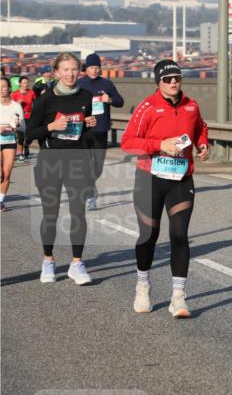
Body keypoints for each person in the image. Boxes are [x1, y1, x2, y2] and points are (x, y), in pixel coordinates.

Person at [121, 60, 209, 318]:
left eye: (177, 78)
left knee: (180, 235)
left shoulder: (191, 106)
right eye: (168, 79)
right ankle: (142, 286)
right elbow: (128, 142)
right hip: (149, 178)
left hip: (181, 179)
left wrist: (204, 144)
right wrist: (160, 145)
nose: (173, 83)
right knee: (149, 235)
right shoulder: (147, 107)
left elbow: (200, 129)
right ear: (158, 82)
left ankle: (178, 297)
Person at [25, 53, 97, 285]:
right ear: (56, 72)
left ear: (80, 71)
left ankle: (77, 264)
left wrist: (88, 125)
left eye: (74, 69)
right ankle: (48, 261)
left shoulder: (86, 96)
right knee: (51, 213)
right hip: (50, 162)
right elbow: (29, 134)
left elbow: (83, 131)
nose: (70, 74)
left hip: (77, 161)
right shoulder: (46, 99)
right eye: (65, 69)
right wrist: (51, 126)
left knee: (78, 212)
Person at [77, 53, 125, 209]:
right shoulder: (78, 84)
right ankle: (91, 195)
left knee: (98, 166)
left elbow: (120, 102)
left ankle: (90, 184)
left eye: (97, 67)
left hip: (101, 129)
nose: (95, 70)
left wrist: (109, 100)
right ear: (86, 69)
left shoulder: (107, 84)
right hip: (83, 130)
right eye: (92, 67)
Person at [0, 77, 24, 211]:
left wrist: (18, 125)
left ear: (9, 88)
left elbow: (22, 127)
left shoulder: (16, 106)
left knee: (6, 174)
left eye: (3, 86)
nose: (1, 89)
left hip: (10, 140)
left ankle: (0, 201)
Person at [11, 76, 35, 162]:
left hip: (29, 116)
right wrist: (17, 103)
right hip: (19, 117)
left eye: (27, 82)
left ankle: (27, 146)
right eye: (24, 82)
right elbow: (11, 106)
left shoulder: (31, 92)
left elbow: (36, 103)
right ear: (20, 83)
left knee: (29, 135)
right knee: (20, 136)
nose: (26, 84)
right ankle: (20, 153)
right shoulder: (15, 94)